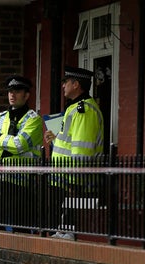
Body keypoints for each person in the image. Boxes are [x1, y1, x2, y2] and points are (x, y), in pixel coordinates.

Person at [45, 66, 105, 239]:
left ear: (76, 84)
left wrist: (75, 174)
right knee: (64, 216)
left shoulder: (84, 110)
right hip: (66, 174)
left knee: (73, 218)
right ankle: (64, 230)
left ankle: (68, 231)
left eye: (66, 82)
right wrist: (55, 139)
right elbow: (71, 142)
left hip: (74, 176)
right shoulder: (75, 108)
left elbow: (82, 147)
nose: (63, 86)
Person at [0, 75, 43, 229]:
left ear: (27, 95)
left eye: (16, 91)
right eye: (10, 91)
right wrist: (3, 153)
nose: (12, 94)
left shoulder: (34, 120)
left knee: (20, 228)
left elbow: (19, 144)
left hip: (21, 182)